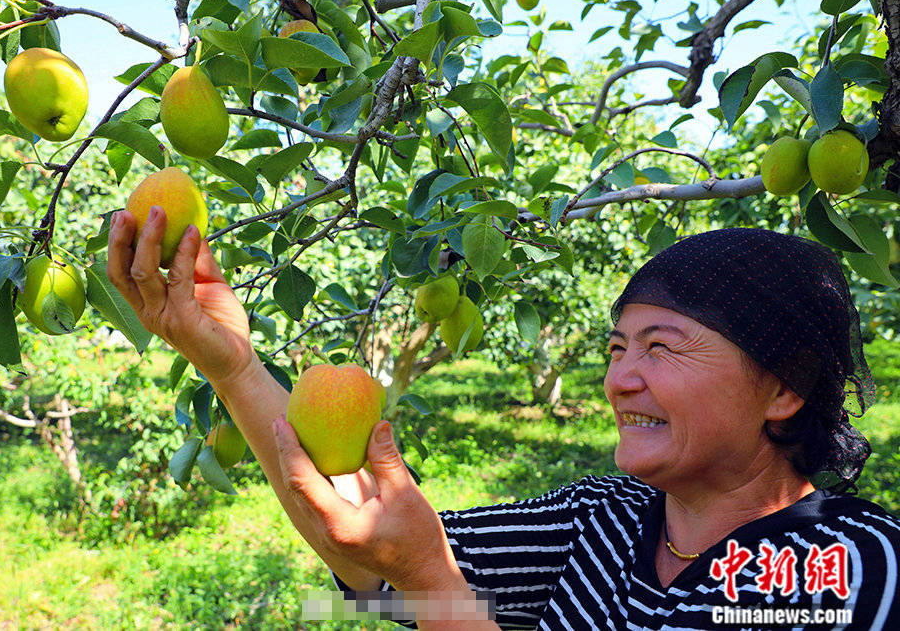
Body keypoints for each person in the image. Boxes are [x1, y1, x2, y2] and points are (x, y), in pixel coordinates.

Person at [107, 212, 900, 630]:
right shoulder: (603, 517)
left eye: (662, 347)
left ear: (784, 388)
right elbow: (372, 546)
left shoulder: (853, 568)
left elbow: (414, 571)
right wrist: (231, 362)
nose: (621, 377)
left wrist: (432, 582)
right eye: (618, 345)